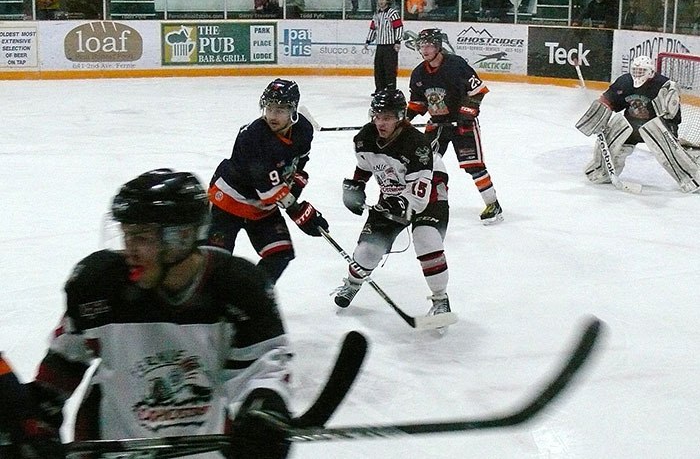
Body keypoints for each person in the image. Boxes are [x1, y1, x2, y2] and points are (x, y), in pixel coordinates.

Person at [15, 169, 293, 458]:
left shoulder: (236, 287)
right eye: (126, 236)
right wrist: (38, 422)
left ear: (182, 237)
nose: (129, 251)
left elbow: (262, 366)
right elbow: (62, 364)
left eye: (141, 238)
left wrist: (264, 407)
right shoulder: (99, 286)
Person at [335, 88, 452, 320]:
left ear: (400, 117)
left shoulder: (417, 145)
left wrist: (397, 204)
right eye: (377, 116)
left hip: (429, 192)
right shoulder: (364, 138)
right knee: (368, 250)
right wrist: (357, 185)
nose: (380, 122)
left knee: (426, 238)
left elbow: (418, 201)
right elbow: (366, 165)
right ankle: (353, 282)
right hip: (393, 191)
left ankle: (441, 299)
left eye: (387, 117)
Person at [208, 79, 328, 289]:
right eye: (269, 108)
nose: (272, 115)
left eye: (280, 109)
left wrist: (297, 185)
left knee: (280, 254)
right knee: (213, 264)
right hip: (228, 202)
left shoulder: (303, 130)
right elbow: (268, 191)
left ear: (293, 110)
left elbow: (299, 162)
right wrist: (299, 212)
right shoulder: (253, 137)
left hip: (262, 208)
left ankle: (252, 298)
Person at [408, 28, 503, 224]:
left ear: (438, 46)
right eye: (422, 46)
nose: (425, 50)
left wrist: (466, 113)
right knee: (424, 163)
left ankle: (493, 204)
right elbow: (418, 103)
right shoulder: (418, 73)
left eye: (429, 45)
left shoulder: (456, 64)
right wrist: (404, 120)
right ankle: (424, 203)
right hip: (437, 126)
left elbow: (477, 91)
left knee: (473, 166)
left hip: (462, 126)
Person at [576, 56, 700, 193]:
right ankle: (602, 170)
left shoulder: (664, 85)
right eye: (635, 70)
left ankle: (691, 177)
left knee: (669, 152)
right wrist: (601, 111)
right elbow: (609, 100)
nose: (637, 74)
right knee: (610, 139)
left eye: (641, 71)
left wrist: (670, 129)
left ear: (651, 71)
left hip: (656, 126)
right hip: (632, 125)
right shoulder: (625, 81)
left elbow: (671, 114)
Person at [364, 0, 404, 93]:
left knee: (390, 69)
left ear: (388, 1)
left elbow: (399, 27)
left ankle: (391, 90)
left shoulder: (393, 13)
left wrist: (398, 41)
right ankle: (379, 89)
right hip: (380, 46)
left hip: (390, 46)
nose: (381, 1)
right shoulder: (377, 14)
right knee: (378, 68)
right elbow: (373, 28)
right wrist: (368, 40)